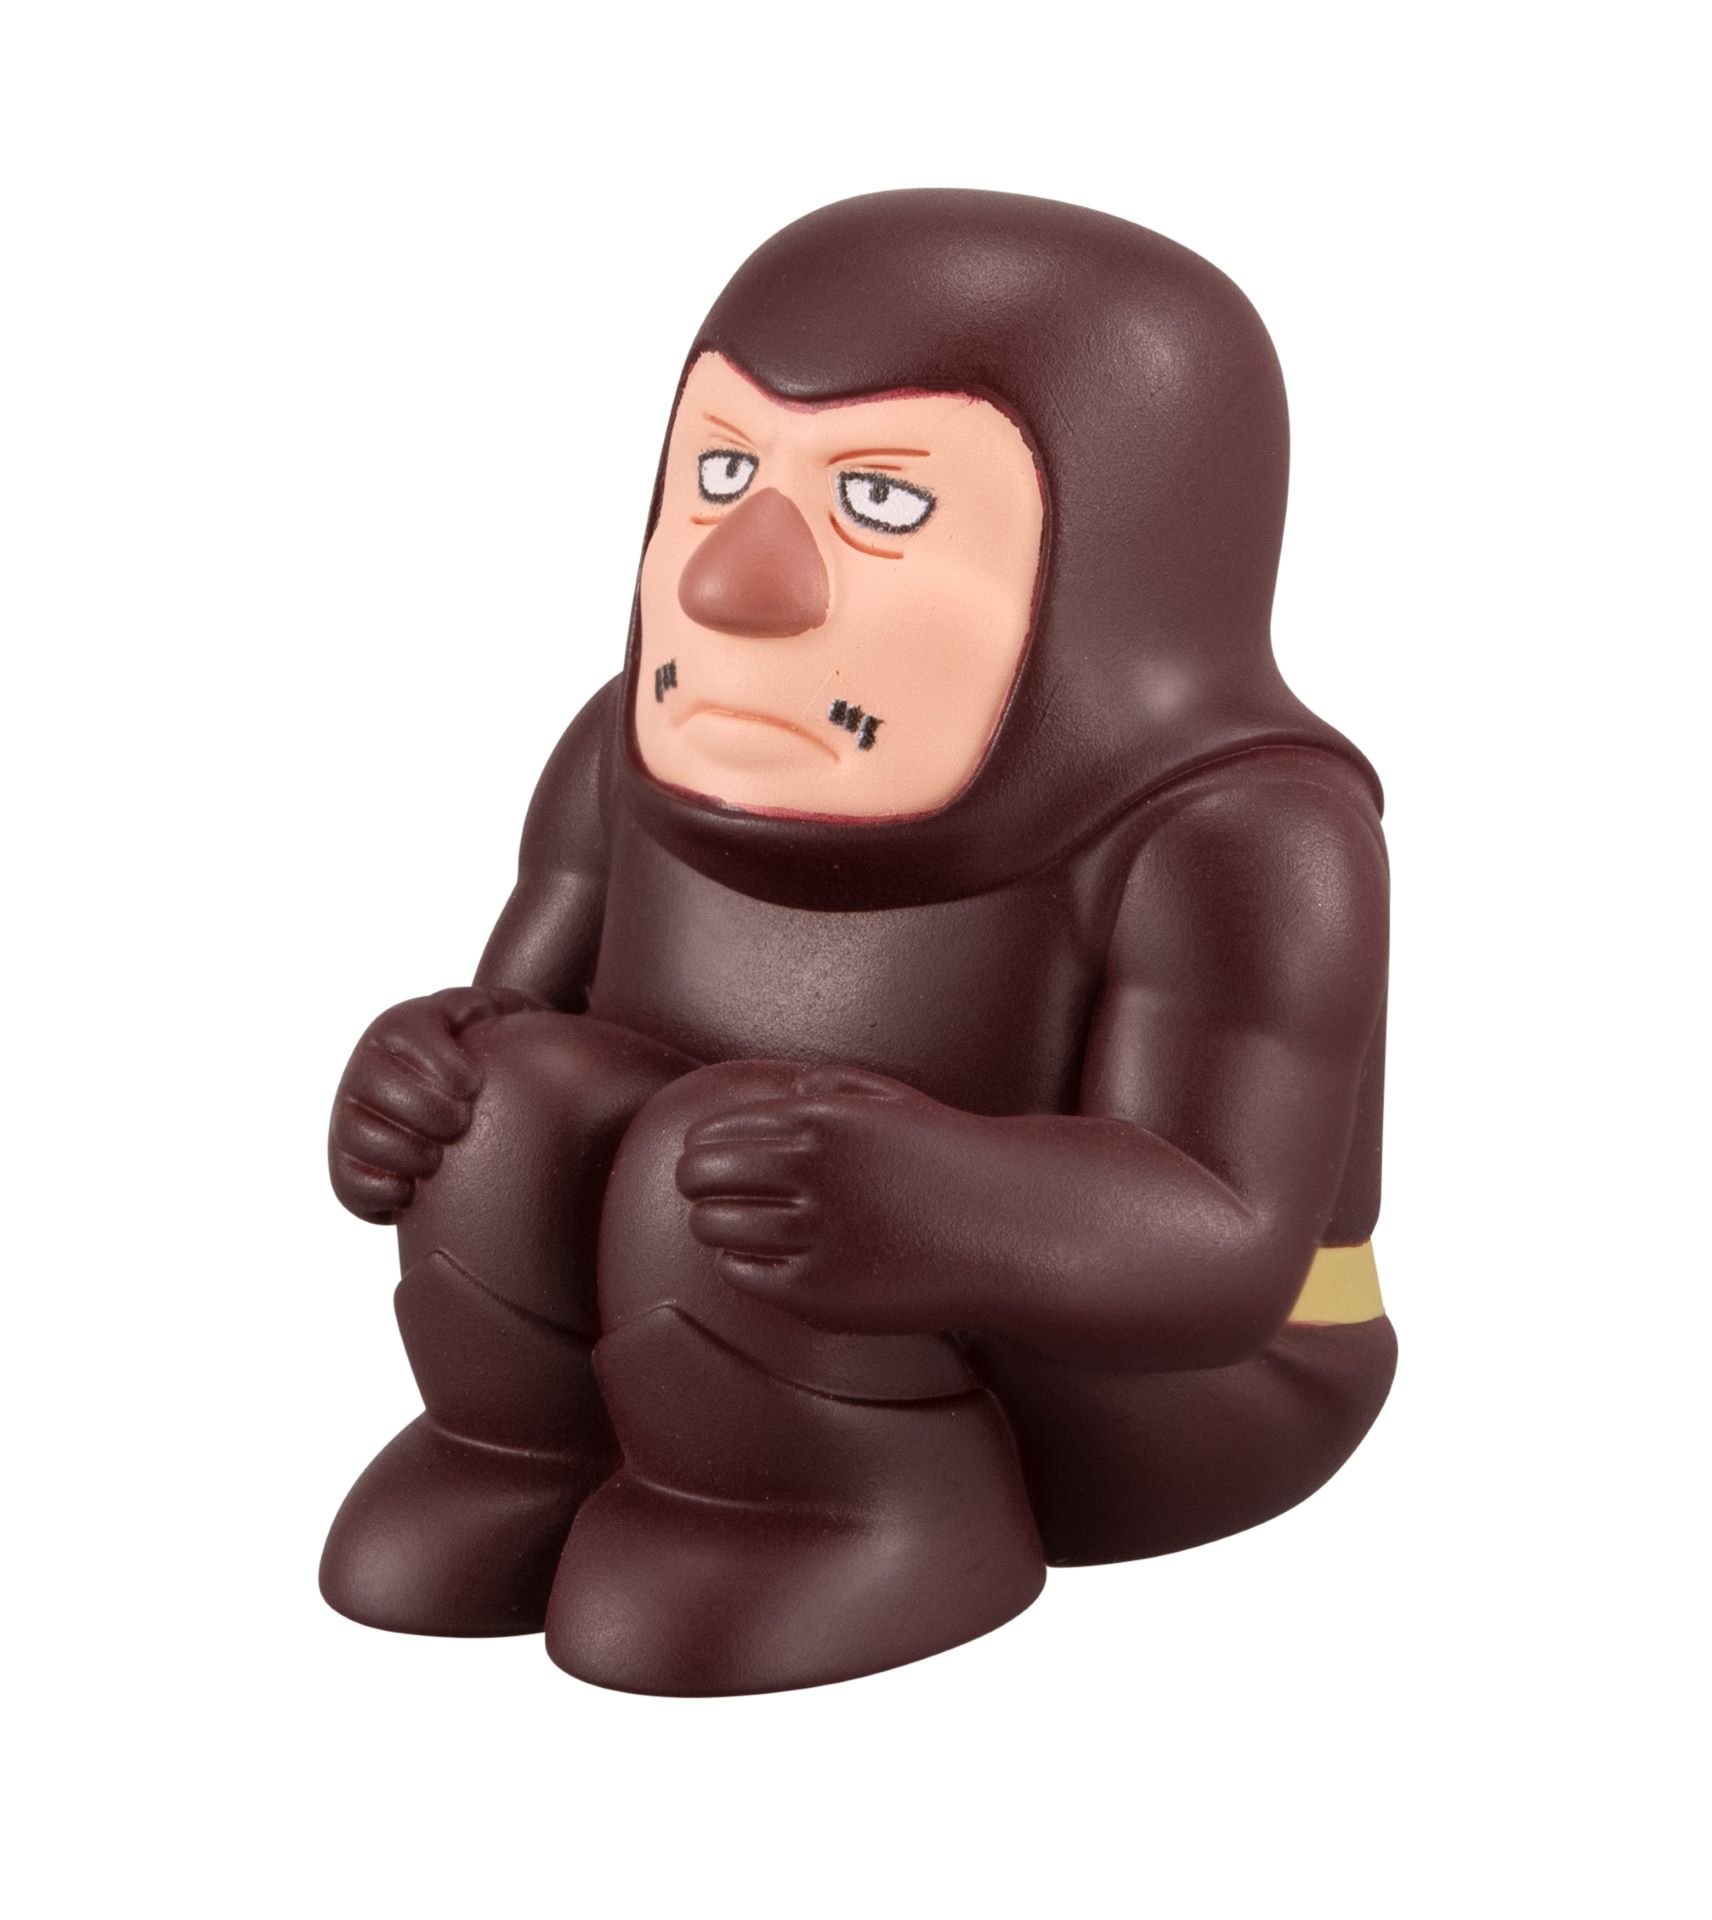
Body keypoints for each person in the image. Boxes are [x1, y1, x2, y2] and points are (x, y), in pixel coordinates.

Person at [320, 190, 1395, 1695]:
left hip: (1151, 1386)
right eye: (722, 473)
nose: (733, 581)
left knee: (721, 1164)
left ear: (1115, 567)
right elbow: (523, 1026)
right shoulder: (621, 756)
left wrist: (931, 1200)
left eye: (882, 505)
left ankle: (859, 1506)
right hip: (730, 1276)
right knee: (510, 1113)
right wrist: (421, 1086)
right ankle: (522, 1444)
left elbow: (1222, 1245)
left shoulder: (1243, 843)